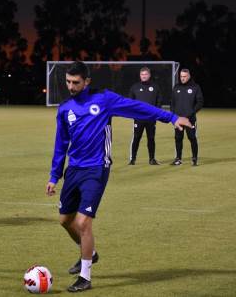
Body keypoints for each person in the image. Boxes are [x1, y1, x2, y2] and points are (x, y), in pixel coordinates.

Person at [45, 61, 191, 292]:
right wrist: (54, 176)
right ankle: (90, 253)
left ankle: (85, 277)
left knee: (83, 222)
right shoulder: (64, 109)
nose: (71, 87)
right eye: (68, 82)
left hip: (96, 168)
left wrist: (171, 118)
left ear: (87, 81)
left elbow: (137, 107)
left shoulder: (104, 99)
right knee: (65, 221)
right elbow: (60, 144)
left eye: (76, 82)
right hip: (74, 169)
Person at [128, 67, 163, 165]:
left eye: (145, 74)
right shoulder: (135, 87)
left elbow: (159, 101)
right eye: (142, 74)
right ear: (140, 76)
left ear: (149, 75)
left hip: (151, 118)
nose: (144, 76)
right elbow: (130, 102)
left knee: (151, 138)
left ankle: (152, 159)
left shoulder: (155, 87)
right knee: (136, 137)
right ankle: (132, 159)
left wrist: (156, 113)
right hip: (139, 118)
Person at [170, 68, 204, 166]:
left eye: (184, 76)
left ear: (189, 76)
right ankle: (178, 159)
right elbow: (172, 102)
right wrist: (173, 115)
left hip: (190, 119)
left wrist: (191, 112)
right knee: (178, 138)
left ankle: (194, 158)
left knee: (192, 137)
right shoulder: (176, 87)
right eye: (181, 76)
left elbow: (200, 102)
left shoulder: (195, 87)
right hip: (178, 119)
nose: (182, 78)